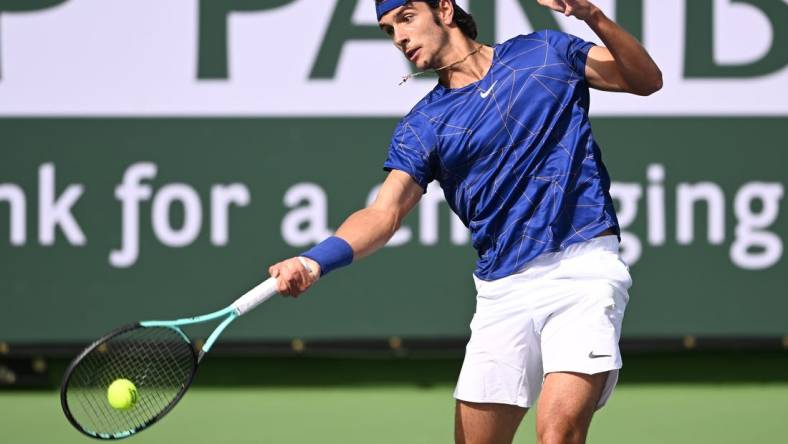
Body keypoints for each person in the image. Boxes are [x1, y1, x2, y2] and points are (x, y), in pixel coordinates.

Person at [268, 0, 662, 443]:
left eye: (406, 18)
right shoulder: (424, 124)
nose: (398, 37)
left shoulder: (544, 53)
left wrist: (593, 17)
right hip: (502, 291)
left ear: (444, 9)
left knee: (558, 435)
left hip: (584, 268)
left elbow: (646, 80)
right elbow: (384, 213)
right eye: (387, 29)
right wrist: (314, 261)